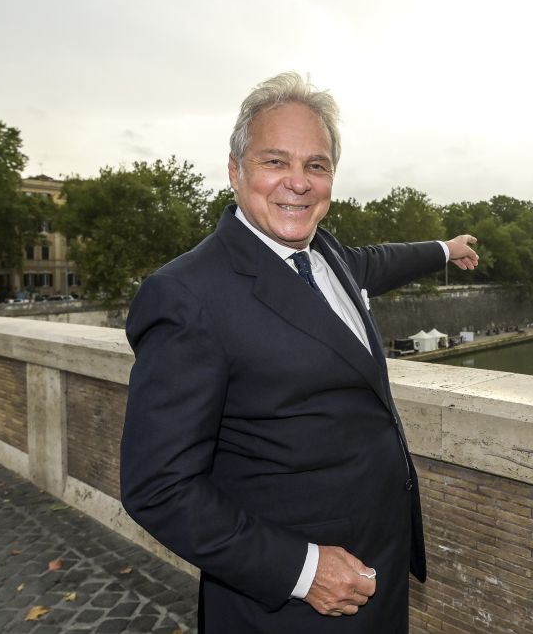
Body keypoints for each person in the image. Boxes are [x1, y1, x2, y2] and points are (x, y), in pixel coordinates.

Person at [119, 72, 479, 633]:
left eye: (316, 165)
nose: (299, 183)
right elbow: (159, 488)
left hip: (373, 576)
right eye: (275, 162)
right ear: (235, 170)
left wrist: (444, 249)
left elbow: (381, 260)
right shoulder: (188, 295)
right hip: (291, 607)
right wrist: (303, 571)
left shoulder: (328, 253)